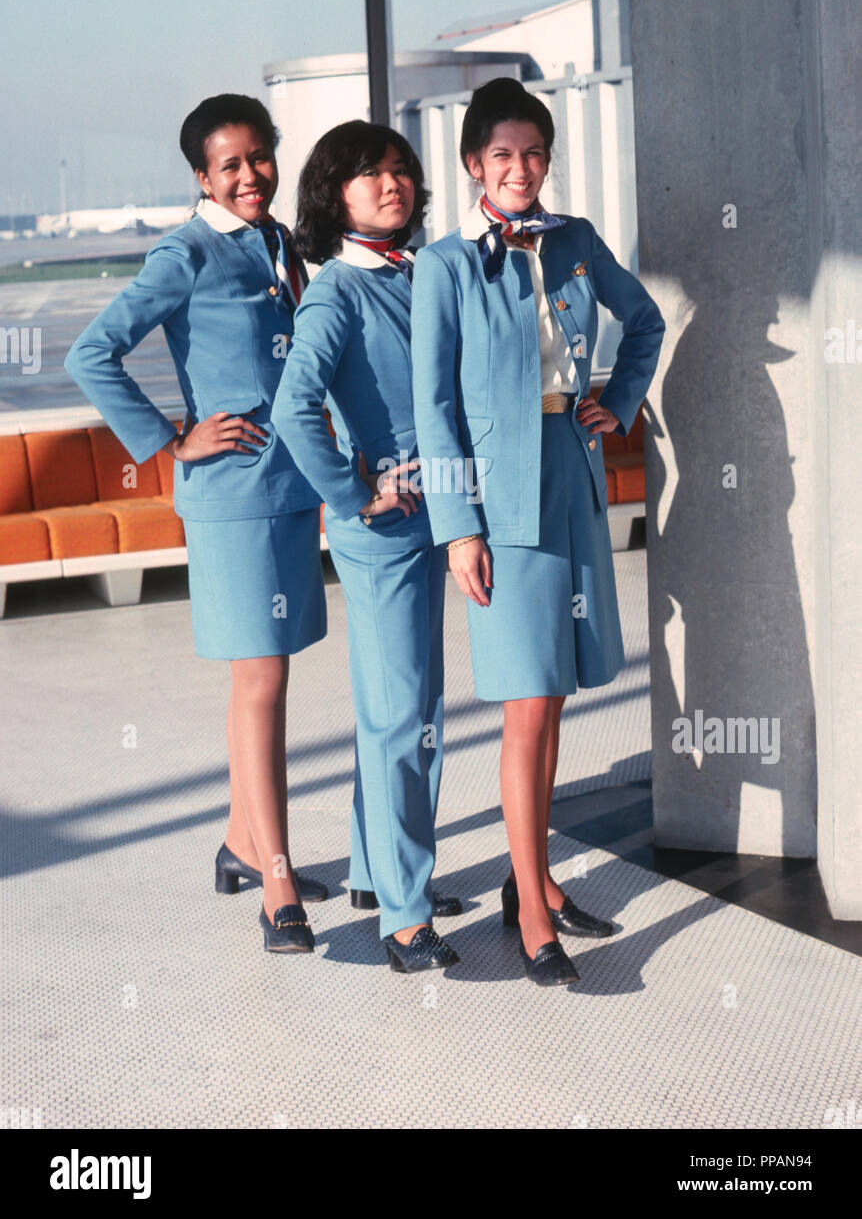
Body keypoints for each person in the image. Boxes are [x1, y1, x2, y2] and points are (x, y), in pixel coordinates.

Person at [411, 77, 665, 986]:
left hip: (573, 473)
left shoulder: (577, 241)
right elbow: (433, 408)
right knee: (525, 703)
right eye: (502, 155)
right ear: (473, 164)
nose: (520, 169)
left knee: (554, 693)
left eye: (534, 154)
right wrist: (457, 529)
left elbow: (645, 322)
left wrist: (618, 402)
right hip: (497, 497)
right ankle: (528, 910)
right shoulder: (443, 266)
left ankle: (537, 877)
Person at [65, 93, 328, 957]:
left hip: (292, 485)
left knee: (266, 676)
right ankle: (277, 882)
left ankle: (243, 843)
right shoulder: (184, 252)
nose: (250, 175)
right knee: (260, 679)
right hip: (232, 495)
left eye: (260, 157)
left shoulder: (279, 240)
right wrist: (171, 440)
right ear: (202, 177)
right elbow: (91, 352)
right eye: (230, 165)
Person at [272, 120, 461, 975]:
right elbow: (293, 407)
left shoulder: (419, 272)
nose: (392, 184)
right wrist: (354, 493)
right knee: (403, 715)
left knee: (403, 707)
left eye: (400, 170)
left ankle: (374, 873)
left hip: (437, 512)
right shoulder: (337, 292)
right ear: (333, 193)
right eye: (369, 174)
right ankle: (405, 917)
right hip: (383, 528)